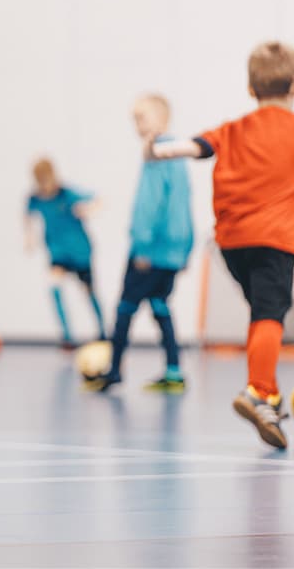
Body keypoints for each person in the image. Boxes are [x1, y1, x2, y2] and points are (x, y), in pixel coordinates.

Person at [150, 41, 294, 448]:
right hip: (275, 242)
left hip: (231, 246)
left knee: (264, 314)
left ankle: (269, 393)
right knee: (269, 313)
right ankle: (259, 392)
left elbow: (194, 147)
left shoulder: (232, 129)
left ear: (250, 88)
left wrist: (160, 149)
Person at [89, 94, 193, 393]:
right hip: (171, 250)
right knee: (160, 304)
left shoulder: (156, 153)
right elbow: (182, 205)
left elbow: (151, 204)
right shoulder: (177, 155)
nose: (136, 124)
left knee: (125, 306)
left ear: (162, 120)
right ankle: (174, 370)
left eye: (141, 118)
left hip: (151, 250)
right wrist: (183, 251)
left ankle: (114, 368)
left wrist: (143, 247)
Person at [25, 159, 105, 348]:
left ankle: (103, 332)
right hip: (57, 251)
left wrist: (88, 210)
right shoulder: (34, 198)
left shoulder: (67, 194)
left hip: (79, 251)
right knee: (54, 284)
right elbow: (27, 216)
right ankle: (67, 336)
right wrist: (29, 237)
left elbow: (98, 199)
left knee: (88, 291)